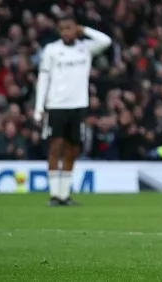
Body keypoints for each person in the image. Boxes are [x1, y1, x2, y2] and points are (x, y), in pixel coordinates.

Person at [33, 16, 112, 206]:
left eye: (69, 28)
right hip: (56, 106)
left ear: (75, 29)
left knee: (72, 149)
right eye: (62, 29)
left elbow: (106, 41)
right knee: (55, 147)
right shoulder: (52, 50)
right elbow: (43, 79)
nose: (65, 33)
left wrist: (85, 29)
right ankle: (54, 195)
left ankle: (64, 194)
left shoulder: (85, 48)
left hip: (78, 106)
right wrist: (39, 107)